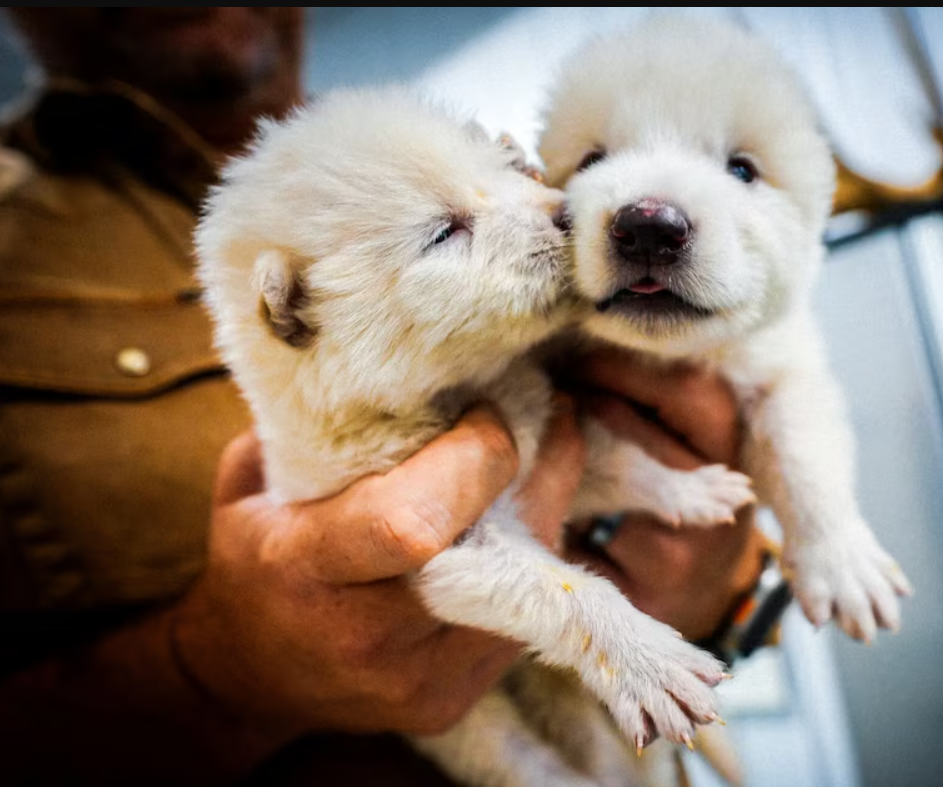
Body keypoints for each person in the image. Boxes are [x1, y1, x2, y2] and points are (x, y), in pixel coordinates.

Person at [0, 8, 773, 785]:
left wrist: (729, 587)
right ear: (297, 309)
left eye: (509, 177)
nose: (557, 209)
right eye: (445, 233)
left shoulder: (414, 136)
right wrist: (215, 674)